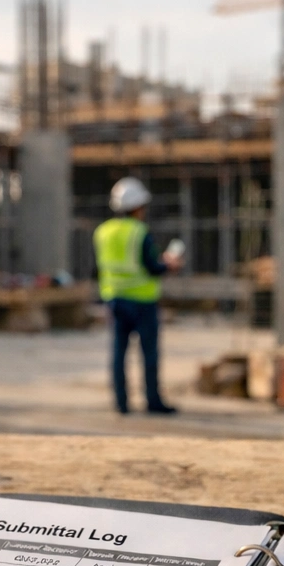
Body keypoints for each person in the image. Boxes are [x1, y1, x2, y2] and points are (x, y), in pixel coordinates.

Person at [94, 177, 182, 414]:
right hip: (143, 301)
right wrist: (169, 265)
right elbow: (152, 267)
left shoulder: (103, 232)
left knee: (118, 354)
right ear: (138, 207)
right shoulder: (139, 232)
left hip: (114, 299)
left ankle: (121, 403)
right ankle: (153, 401)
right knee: (149, 355)